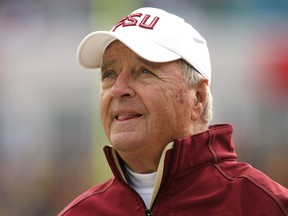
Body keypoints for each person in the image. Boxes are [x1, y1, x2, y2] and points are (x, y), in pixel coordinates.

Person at [59, 7, 288, 216]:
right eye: (109, 74)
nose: (118, 89)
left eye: (145, 71)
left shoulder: (264, 205)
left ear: (197, 98)